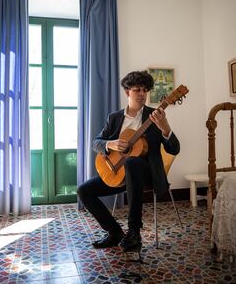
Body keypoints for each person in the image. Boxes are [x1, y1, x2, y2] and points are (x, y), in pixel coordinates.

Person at [77, 70, 180, 251]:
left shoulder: (155, 117)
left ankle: (134, 232)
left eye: (145, 90)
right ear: (127, 92)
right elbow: (96, 143)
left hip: (146, 174)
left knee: (133, 162)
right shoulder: (114, 118)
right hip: (120, 173)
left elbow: (174, 149)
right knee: (84, 191)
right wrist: (112, 144)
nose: (142, 94)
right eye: (137, 90)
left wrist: (165, 127)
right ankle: (115, 232)